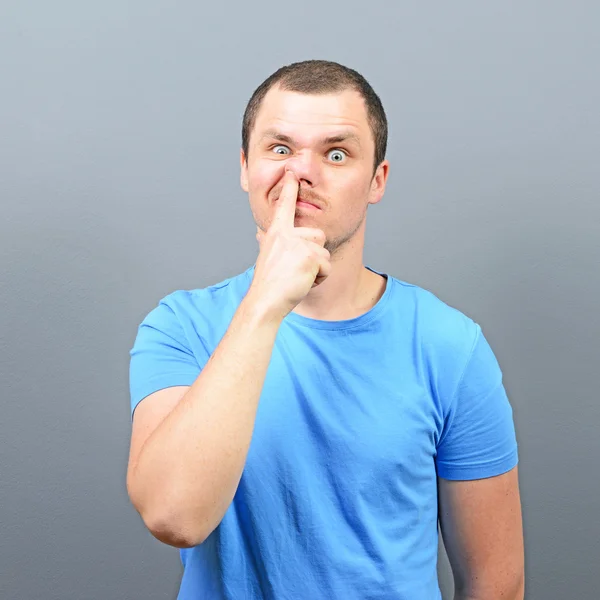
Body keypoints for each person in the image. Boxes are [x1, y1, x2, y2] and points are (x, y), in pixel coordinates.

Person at [126, 60, 524, 600]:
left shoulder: (451, 347)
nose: (301, 173)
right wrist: (266, 302)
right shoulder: (180, 328)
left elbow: (494, 583)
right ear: (246, 167)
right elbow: (174, 515)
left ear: (377, 180)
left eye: (336, 154)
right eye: (280, 149)